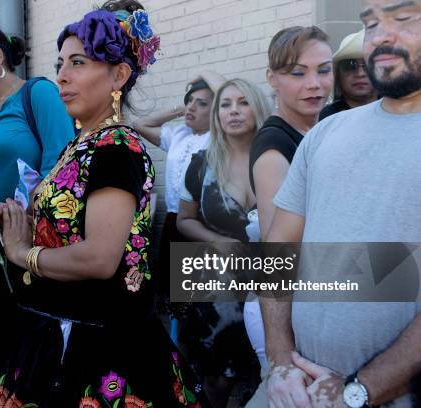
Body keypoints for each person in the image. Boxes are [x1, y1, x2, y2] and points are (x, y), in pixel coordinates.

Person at [0, 2, 206, 406]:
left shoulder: (117, 148)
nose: (62, 76)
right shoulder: (81, 144)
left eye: (78, 63)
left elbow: (100, 258)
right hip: (56, 328)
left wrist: (21, 252)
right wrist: (14, 219)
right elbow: (68, 228)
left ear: (119, 75)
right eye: (60, 62)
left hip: (98, 343)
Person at [249, 1, 421, 406]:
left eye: (403, 17)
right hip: (296, 388)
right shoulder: (327, 132)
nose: (380, 36)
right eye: (371, 23)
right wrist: (280, 362)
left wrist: (360, 390)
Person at [0, 19, 74, 379]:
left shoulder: (38, 94)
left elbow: (61, 164)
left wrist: (9, 220)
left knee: (33, 352)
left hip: (29, 247)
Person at [245, 25, 333, 390]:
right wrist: (282, 354)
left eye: (323, 70)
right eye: (298, 73)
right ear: (273, 78)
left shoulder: (318, 131)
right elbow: (277, 255)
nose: (314, 84)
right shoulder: (274, 149)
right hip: (285, 316)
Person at [176, 78, 271, 406]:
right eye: (225, 105)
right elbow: (183, 221)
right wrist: (216, 241)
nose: (233, 111)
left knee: (271, 373)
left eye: (243, 102)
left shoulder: (280, 159)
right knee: (216, 380)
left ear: (258, 107)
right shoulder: (201, 164)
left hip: (273, 280)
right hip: (216, 283)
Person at [134, 71, 225, 311]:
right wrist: (182, 108)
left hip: (203, 224)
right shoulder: (178, 135)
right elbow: (141, 124)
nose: (192, 107)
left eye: (202, 103)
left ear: (216, 111)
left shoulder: (220, 137)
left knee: (200, 299)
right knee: (175, 298)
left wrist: (205, 74)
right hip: (175, 222)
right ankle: (176, 347)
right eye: (190, 101)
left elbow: (230, 92)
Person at [319, 29, 378, 120]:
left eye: (368, 65)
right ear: (338, 74)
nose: (360, 73)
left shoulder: (398, 113)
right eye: (350, 65)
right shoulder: (324, 119)